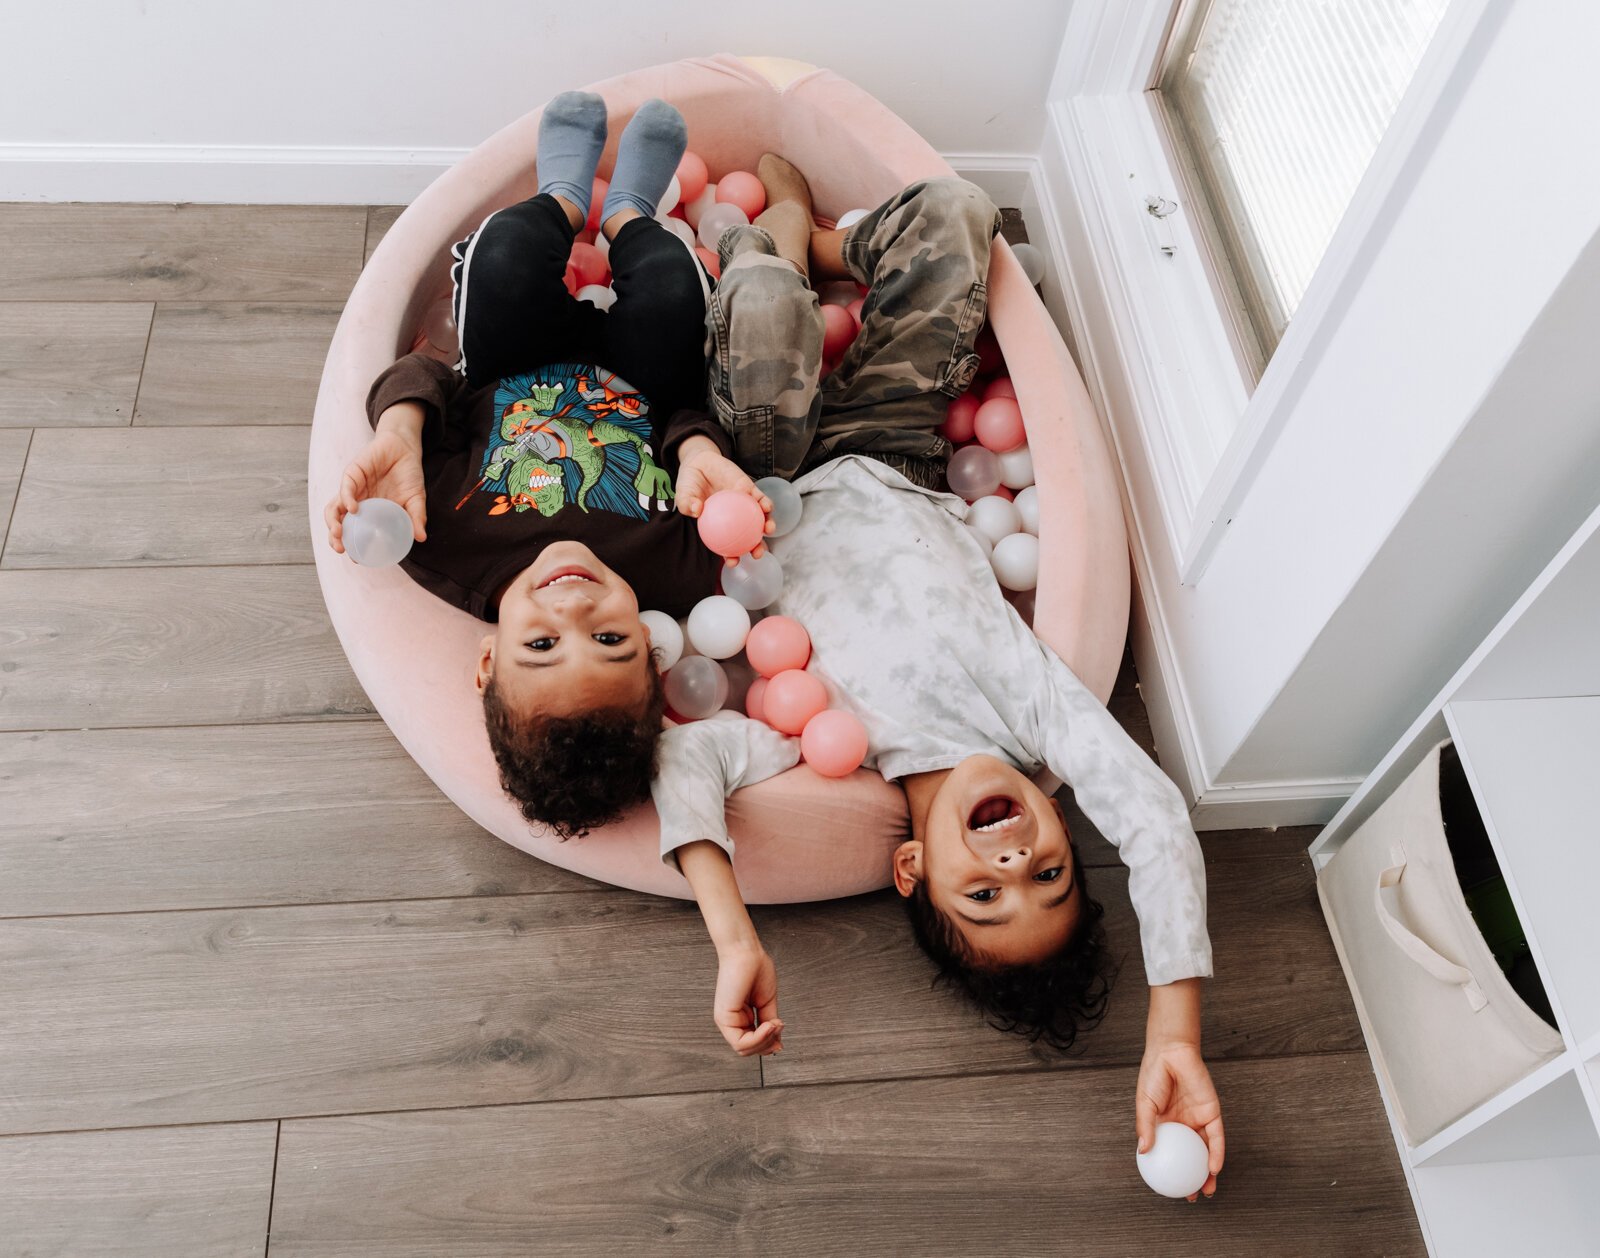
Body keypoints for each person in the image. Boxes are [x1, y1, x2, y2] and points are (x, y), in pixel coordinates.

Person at [654, 161, 1225, 1199]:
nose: (1014, 858)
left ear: (914, 869)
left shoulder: (833, 752)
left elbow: (690, 755)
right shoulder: (1032, 709)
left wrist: (731, 933)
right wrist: (1175, 1025)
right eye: (1047, 874)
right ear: (1062, 832)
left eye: (984, 890)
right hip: (897, 446)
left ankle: (770, 240)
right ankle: (827, 244)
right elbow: (1150, 815)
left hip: (765, 472)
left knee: (767, 304)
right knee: (961, 211)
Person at [323, 93, 769, 837]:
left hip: (511, 363)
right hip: (643, 380)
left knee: (501, 257)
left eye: (540, 646)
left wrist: (399, 431)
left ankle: (562, 198)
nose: (574, 612)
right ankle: (628, 211)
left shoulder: (439, 541)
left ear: (488, 660)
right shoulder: (687, 572)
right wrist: (699, 450)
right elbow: (697, 433)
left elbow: (427, 374)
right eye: (609, 641)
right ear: (654, 648)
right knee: (669, 284)